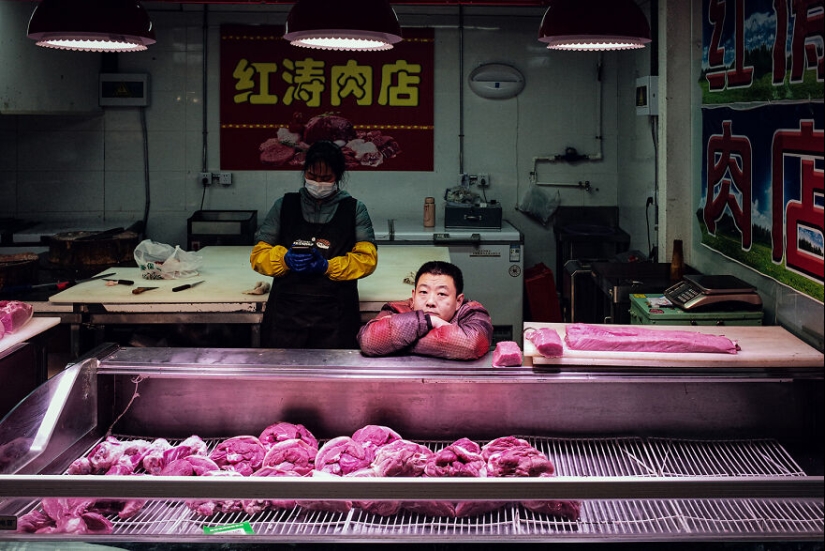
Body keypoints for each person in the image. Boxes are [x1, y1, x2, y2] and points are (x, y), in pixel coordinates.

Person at [250, 140, 377, 349]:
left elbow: (367, 259)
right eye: (312, 176)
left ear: (338, 176)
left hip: (336, 317)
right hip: (286, 316)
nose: (318, 182)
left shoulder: (354, 209)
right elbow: (258, 254)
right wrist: (285, 260)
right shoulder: (284, 206)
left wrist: (327, 266)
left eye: (325, 178)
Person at [357, 260, 492, 360]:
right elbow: (368, 341)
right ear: (413, 295)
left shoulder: (472, 312)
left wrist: (400, 340)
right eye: (423, 292)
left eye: (441, 294)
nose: (430, 302)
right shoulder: (397, 308)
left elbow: (472, 345)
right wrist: (429, 321)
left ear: (458, 301)